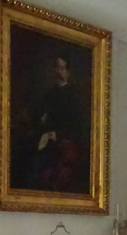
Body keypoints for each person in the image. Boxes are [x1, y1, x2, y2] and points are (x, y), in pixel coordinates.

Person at [30, 55, 88, 193]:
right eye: (57, 67)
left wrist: (58, 134)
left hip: (66, 140)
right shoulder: (50, 93)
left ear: (68, 72)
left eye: (62, 68)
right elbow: (40, 115)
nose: (58, 71)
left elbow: (77, 124)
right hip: (47, 137)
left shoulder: (75, 95)